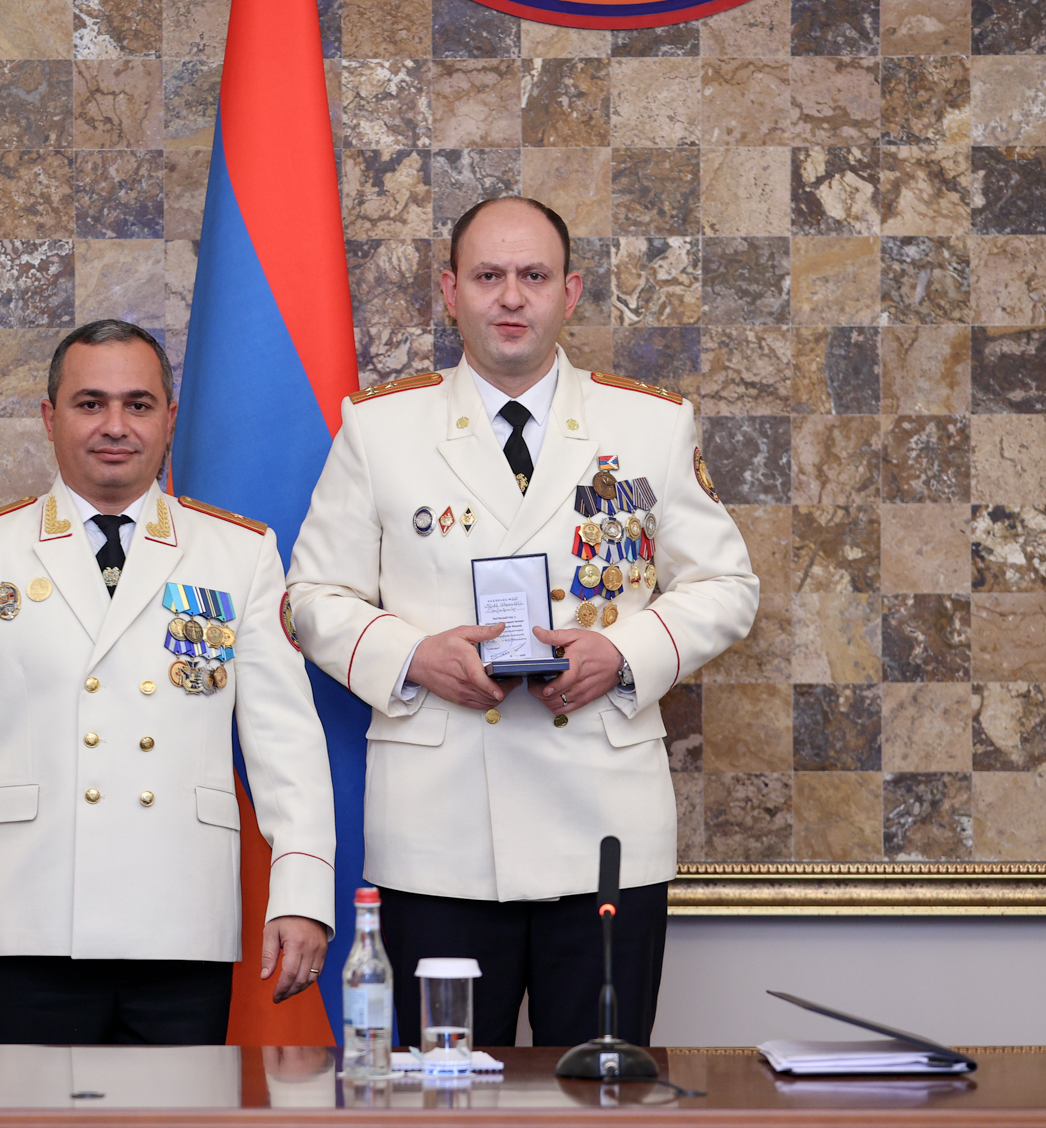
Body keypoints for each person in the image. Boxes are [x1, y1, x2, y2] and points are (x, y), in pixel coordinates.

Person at [286, 197, 758, 1048]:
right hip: (438, 835)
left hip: (604, 828)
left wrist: (622, 654)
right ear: (450, 291)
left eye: (534, 276)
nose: (511, 297)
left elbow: (726, 585)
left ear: (569, 293)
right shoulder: (379, 428)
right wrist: (413, 656)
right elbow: (311, 596)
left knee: (599, 1088)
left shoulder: (649, 424)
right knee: (442, 1094)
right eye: (488, 276)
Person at [0, 319, 336, 1044]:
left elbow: (286, 744)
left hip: (181, 921)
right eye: (90, 403)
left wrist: (302, 894)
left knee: (180, 1108)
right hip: (28, 923)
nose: (114, 426)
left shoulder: (239, 554)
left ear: (169, 419)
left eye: (138, 404)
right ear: (50, 417)